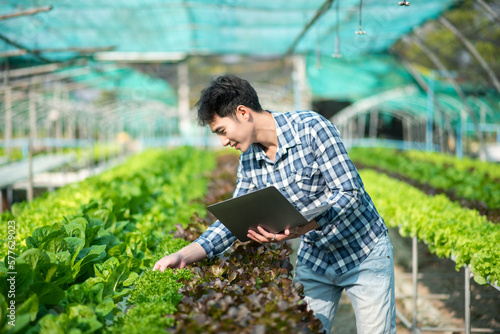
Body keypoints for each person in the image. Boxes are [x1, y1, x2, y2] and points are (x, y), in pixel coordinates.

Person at [153, 74, 396, 334]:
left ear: (243, 112)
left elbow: (349, 191)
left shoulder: (312, 128)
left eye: (222, 131)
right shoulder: (249, 160)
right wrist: (184, 255)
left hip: (363, 252)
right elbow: (235, 218)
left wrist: (306, 225)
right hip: (316, 259)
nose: (223, 142)